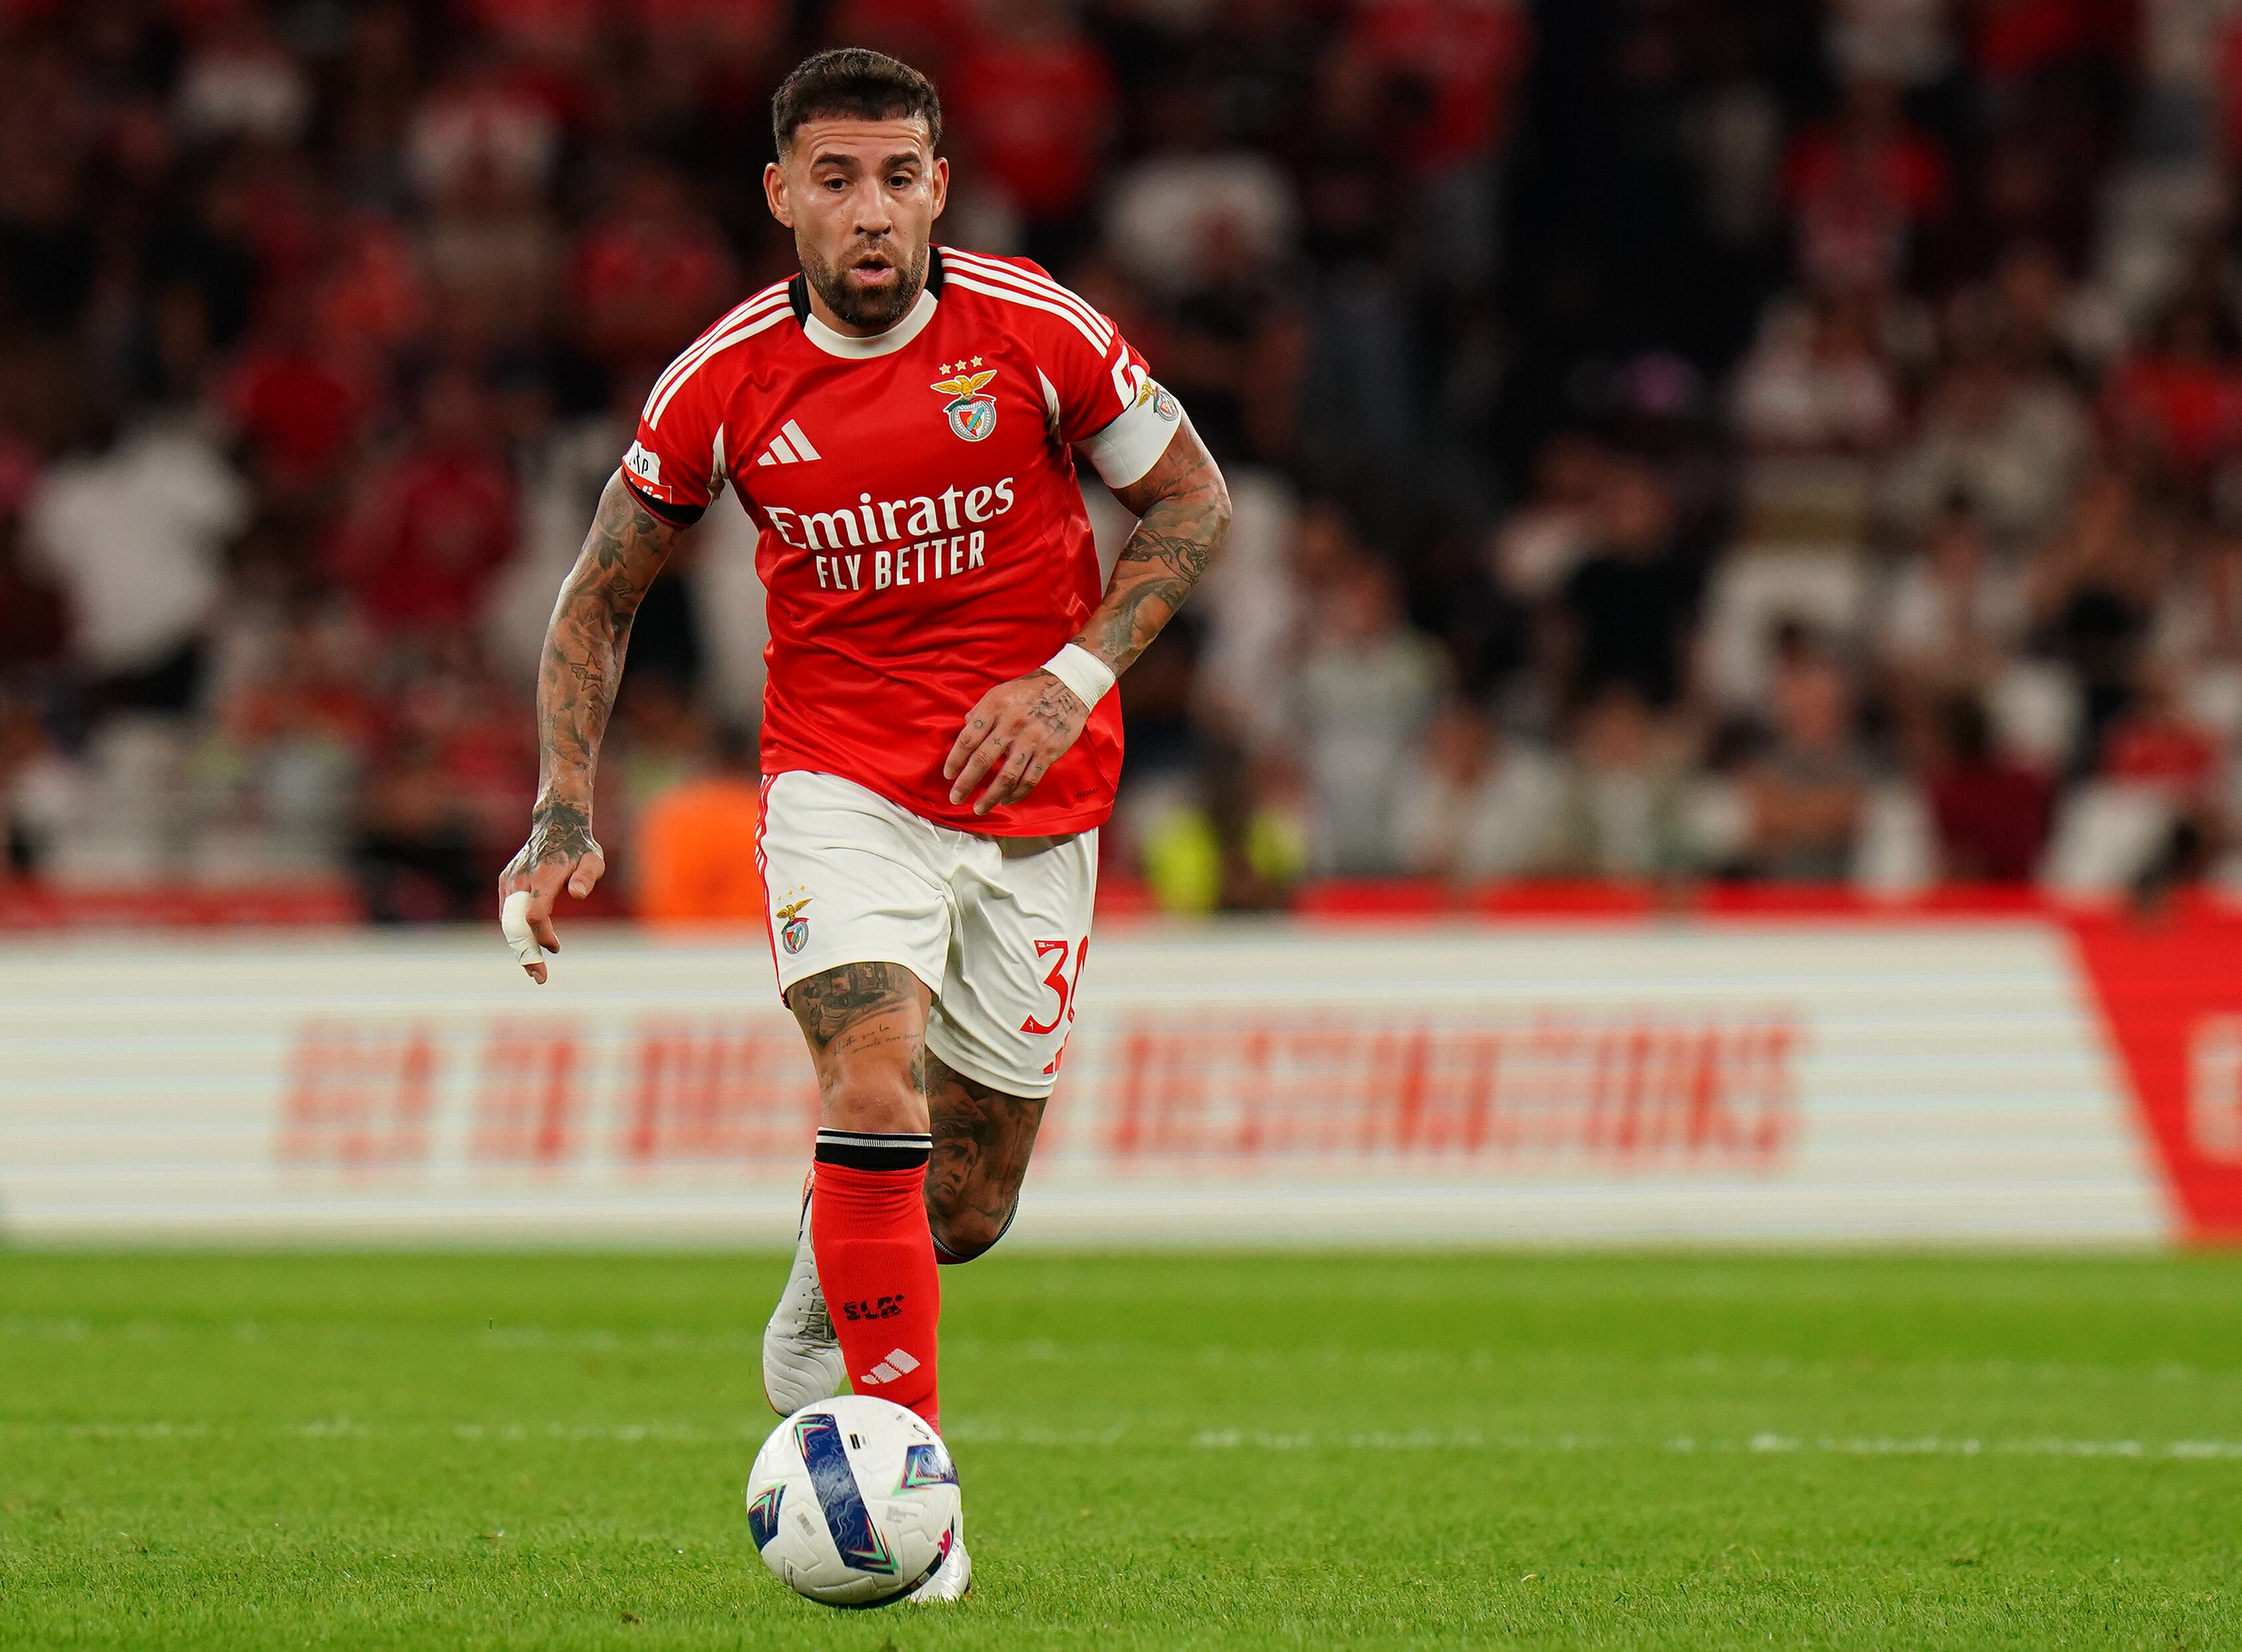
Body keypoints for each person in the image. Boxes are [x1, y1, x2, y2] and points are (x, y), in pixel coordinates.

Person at [495, 49, 1230, 1603]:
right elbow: (599, 597)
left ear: (939, 187)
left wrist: (1068, 678)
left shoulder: (1034, 328)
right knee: (873, 1080)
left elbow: (1192, 501)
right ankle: (916, 1506)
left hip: (1036, 796)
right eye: (835, 179)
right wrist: (561, 806)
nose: (871, 210)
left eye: (899, 177)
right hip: (840, 786)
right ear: (782, 196)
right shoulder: (722, 381)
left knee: (964, 1205)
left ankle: (829, 1254)